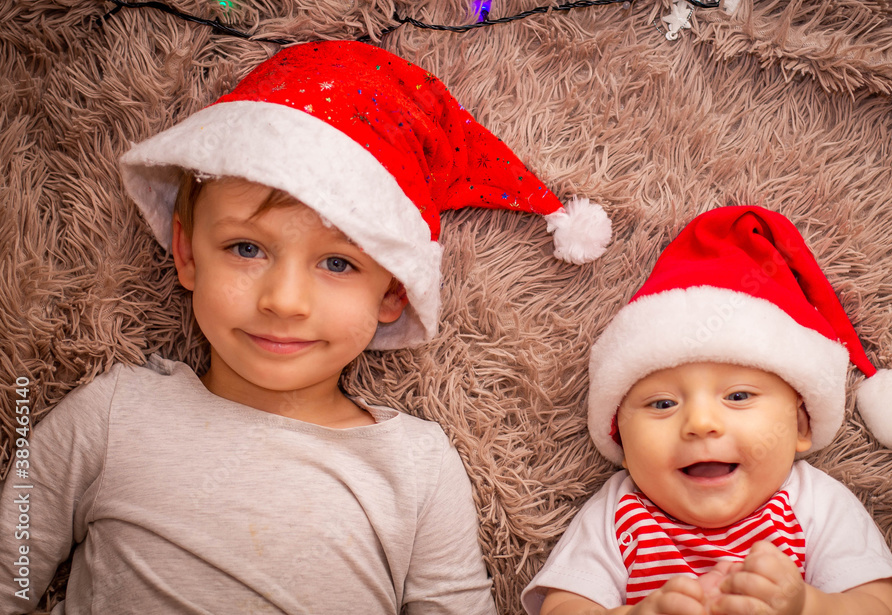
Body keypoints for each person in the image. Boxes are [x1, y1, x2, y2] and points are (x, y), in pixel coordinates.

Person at [0, 41, 611, 615]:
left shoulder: (416, 467)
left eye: (338, 263)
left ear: (393, 293)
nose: (285, 301)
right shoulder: (111, 416)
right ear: (187, 254)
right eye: (245, 249)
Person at [522, 205, 892, 615]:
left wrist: (806, 605)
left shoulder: (815, 504)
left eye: (738, 396)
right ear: (620, 438)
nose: (701, 424)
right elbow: (562, 606)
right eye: (663, 404)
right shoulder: (619, 513)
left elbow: (877, 604)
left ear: (799, 423)